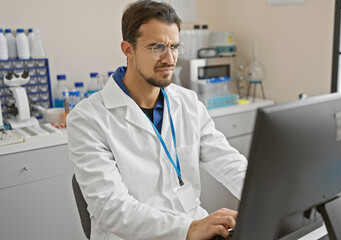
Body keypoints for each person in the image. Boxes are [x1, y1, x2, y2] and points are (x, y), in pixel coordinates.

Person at [67, 1, 247, 240]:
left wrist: (267, 197)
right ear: (128, 49)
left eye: (174, 46)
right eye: (157, 47)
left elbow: (228, 162)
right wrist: (189, 229)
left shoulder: (188, 104)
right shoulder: (88, 119)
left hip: (194, 229)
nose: (170, 58)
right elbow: (111, 209)